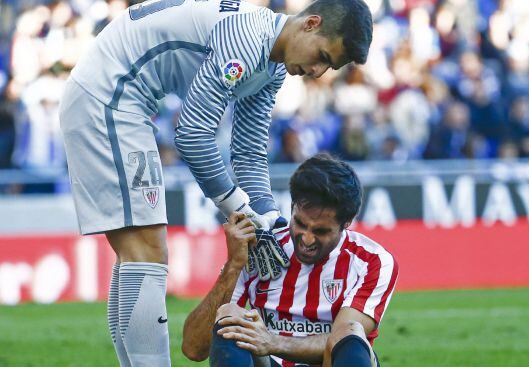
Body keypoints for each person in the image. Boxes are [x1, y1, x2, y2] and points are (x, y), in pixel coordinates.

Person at [58, 0, 373, 366]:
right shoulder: (246, 40)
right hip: (110, 96)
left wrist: (269, 217)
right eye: (321, 55)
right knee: (147, 253)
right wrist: (238, 207)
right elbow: (192, 134)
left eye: (328, 66)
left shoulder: (271, 64)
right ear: (310, 23)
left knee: (136, 257)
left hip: (119, 97)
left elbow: (249, 153)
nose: (317, 71)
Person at [182, 153, 398, 367]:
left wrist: (273, 341)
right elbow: (193, 348)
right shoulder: (262, 250)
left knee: (349, 331)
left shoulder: (372, 262)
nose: (307, 238)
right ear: (292, 207)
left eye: (321, 231)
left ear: (347, 223)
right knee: (230, 316)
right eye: (301, 224)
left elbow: (340, 340)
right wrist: (233, 265)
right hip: (271, 362)